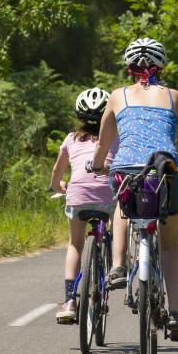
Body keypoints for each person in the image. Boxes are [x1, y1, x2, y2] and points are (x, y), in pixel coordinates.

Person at [89, 37, 178, 342]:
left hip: (127, 170)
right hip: (166, 172)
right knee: (170, 246)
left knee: (122, 204)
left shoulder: (117, 97)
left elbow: (103, 144)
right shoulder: (174, 97)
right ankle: (177, 314)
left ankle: (118, 266)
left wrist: (96, 164)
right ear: (161, 65)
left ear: (129, 68)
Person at [50, 87, 119, 323]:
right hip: (107, 195)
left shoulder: (71, 138)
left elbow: (57, 171)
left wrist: (57, 185)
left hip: (77, 195)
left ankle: (70, 299)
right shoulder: (115, 137)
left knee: (75, 245)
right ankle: (113, 263)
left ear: (79, 116)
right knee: (114, 226)